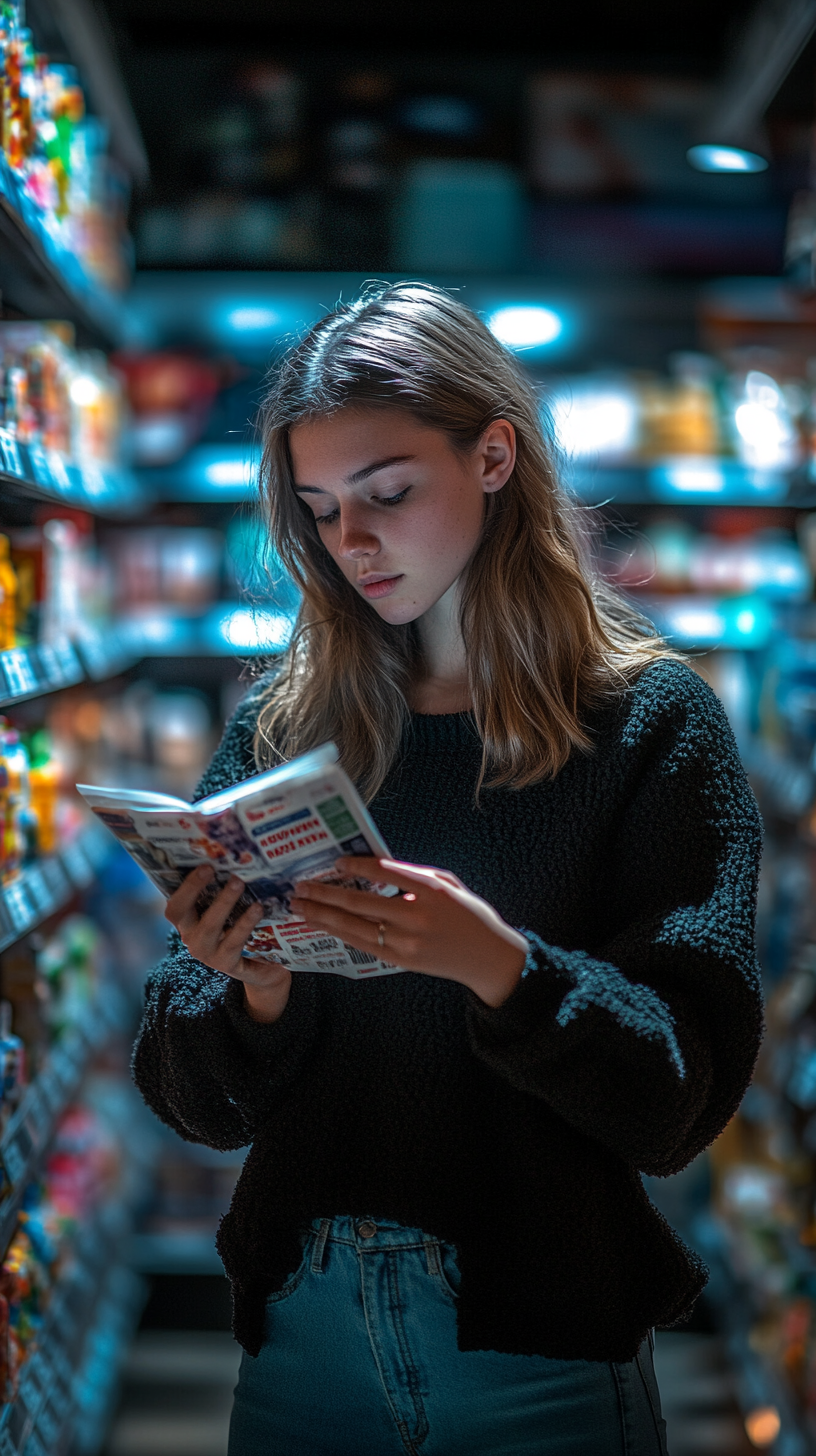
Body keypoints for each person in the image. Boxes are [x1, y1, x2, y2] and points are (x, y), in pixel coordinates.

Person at [133, 282, 764, 1456]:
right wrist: (248, 982)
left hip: (536, 1344)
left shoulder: (652, 726)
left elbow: (680, 1103)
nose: (352, 541)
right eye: (320, 510)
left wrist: (503, 969)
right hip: (299, 1334)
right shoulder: (283, 727)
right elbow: (193, 1102)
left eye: (387, 493)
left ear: (493, 456)